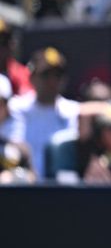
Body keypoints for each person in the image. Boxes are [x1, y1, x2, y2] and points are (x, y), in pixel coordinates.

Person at [8, 47, 80, 179]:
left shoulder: (74, 111)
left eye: (58, 75)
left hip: (62, 191)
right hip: (23, 189)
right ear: (32, 77)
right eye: (46, 75)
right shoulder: (15, 108)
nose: (52, 82)